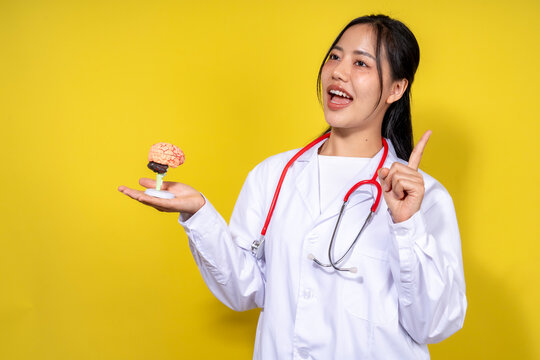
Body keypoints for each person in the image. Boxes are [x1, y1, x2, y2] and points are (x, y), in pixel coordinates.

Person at [118, 14, 467, 359]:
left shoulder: (425, 198)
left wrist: (406, 226)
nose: (338, 71)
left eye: (361, 63)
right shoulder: (273, 175)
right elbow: (244, 290)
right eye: (334, 56)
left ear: (396, 88)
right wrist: (199, 216)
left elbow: (433, 325)